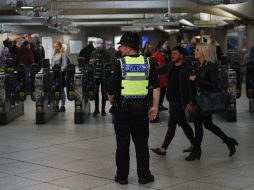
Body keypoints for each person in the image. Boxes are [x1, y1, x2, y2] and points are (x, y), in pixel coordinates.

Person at [108, 31, 160, 185]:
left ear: (129, 47)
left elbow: (111, 89)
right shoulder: (149, 62)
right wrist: (155, 106)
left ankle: (122, 177)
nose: (121, 49)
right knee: (142, 144)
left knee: (123, 144)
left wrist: (111, 100)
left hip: (122, 111)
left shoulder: (120, 63)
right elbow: (156, 87)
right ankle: (144, 176)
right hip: (141, 110)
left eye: (122, 46)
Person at [186, 43, 238, 161]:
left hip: (207, 100)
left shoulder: (211, 66)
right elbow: (195, 86)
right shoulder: (198, 65)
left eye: (197, 50)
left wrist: (197, 79)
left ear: (204, 52)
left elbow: (215, 85)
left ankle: (196, 151)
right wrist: (191, 100)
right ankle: (229, 141)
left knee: (199, 126)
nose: (195, 51)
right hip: (200, 100)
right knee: (208, 125)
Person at [151, 46, 195, 156]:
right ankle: (195, 144)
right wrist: (149, 67)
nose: (172, 55)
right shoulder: (170, 65)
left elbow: (191, 87)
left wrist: (190, 102)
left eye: (175, 53)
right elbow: (159, 70)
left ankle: (163, 148)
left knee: (172, 125)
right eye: (172, 53)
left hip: (180, 101)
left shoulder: (186, 68)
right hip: (172, 99)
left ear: (181, 55)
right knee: (184, 124)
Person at [90, 38, 112, 117]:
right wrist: (91, 61)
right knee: (96, 93)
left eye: (99, 47)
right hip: (95, 76)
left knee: (103, 93)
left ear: (103, 45)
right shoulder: (93, 52)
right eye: (97, 47)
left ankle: (103, 110)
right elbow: (90, 62)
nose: (98, 48)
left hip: (104, 76)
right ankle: (96, 110)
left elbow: (110, 65)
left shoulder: (107, 53)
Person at [153, 40, 171, 113]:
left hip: (165, 76)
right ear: (161, 45)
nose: (167, 45)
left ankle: (160, 105)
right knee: (160, 92)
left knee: (163, 92)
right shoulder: (157, 54)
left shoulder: (167, 53)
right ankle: (158, 105)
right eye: (165, 44)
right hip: (160, 76)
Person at [52, 41, 68, 112]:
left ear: (60, 46)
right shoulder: (54, 55)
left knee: (61, 90)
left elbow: (64, 65)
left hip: (61, 75)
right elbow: (52, 65)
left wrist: (59, 70)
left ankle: (63, 106)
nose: (55, 48)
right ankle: (56, 104)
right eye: (55, 46)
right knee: (56, 89)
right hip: (55, 75)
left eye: (57, 46)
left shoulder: (63, 55)